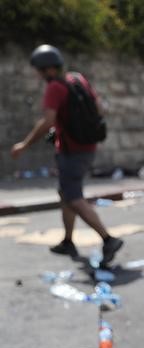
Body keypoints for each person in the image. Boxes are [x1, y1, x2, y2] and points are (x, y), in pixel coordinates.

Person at [10, 44, 123, 265]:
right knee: (66, 194)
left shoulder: (55, 87)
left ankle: (108, 239)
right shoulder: (77, 79)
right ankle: (68, 241)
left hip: (71, 151)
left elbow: (48, 121)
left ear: (47, 69)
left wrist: (24, 144)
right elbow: (100, 108)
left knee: (73, 197)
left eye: (39, 71)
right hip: (86, 147)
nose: (38, 75)